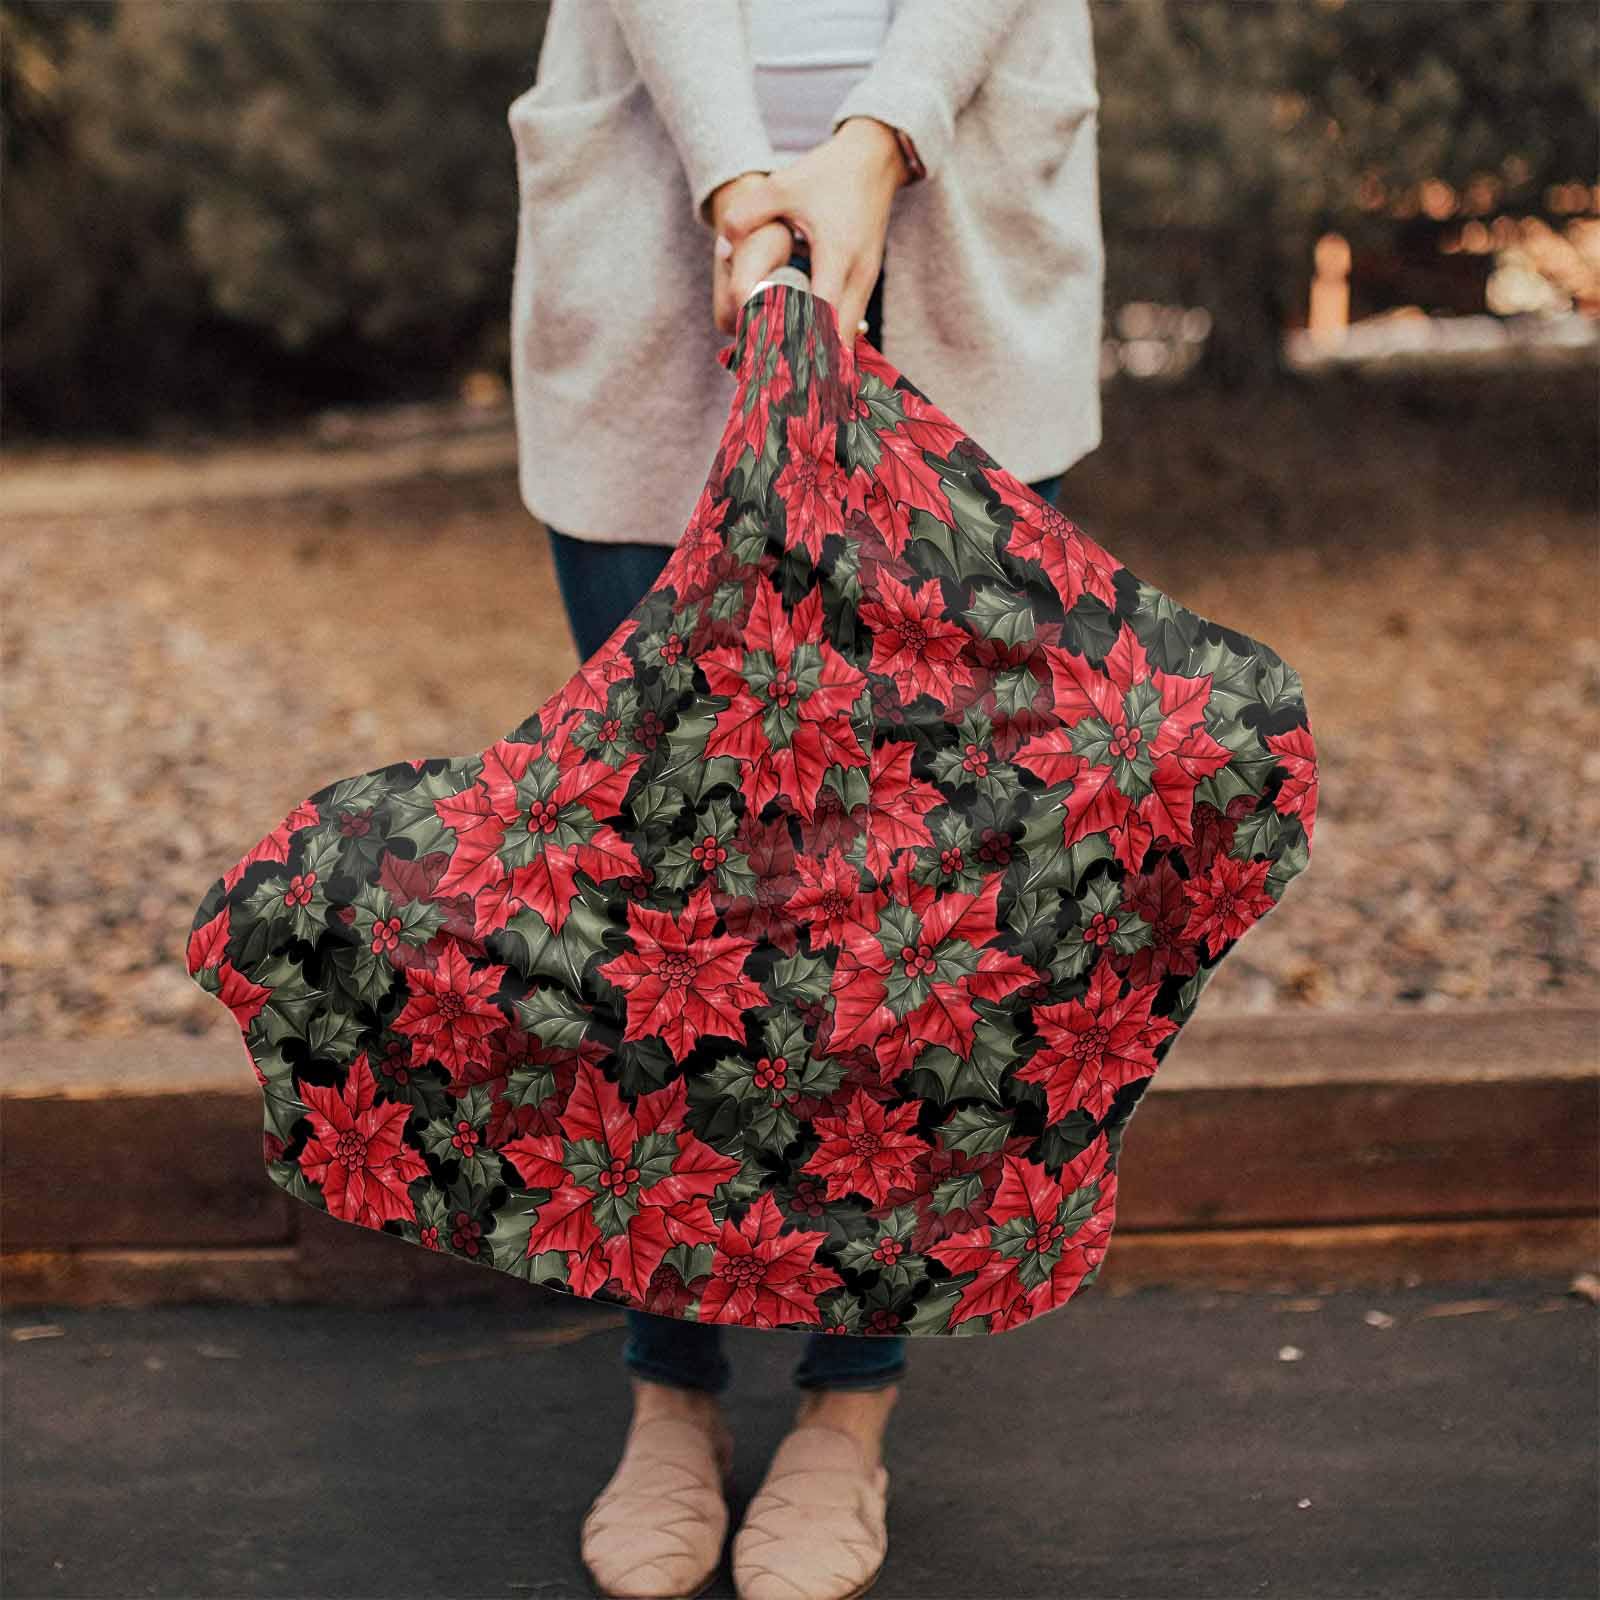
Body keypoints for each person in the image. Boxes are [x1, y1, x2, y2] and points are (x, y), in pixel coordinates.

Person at [506, 4, 1103, 1596]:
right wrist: (734, 176)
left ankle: (849, 1406)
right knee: (670, 888)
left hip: (956, 226)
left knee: (907, 900)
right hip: (658, 221)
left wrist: (878, 136)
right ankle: (671, 1387)